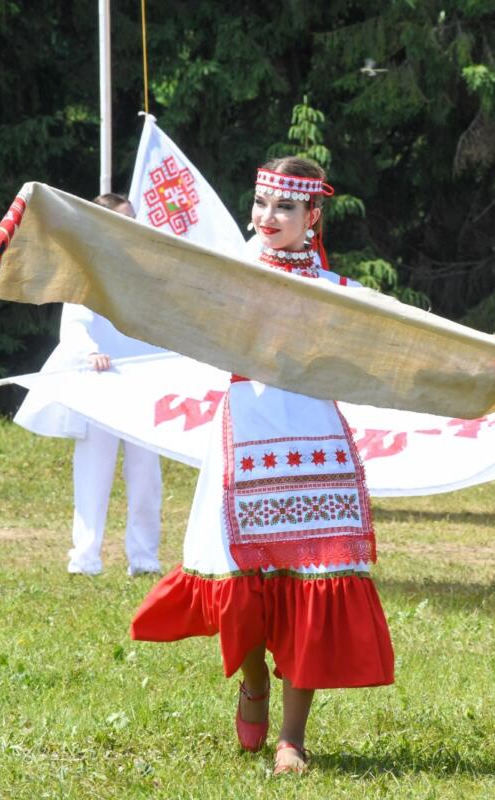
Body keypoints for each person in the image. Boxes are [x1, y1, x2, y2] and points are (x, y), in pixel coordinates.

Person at [129, 157, 393, 775]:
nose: (267, 217)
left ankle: (292, 740)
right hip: (244, 439)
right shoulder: (231, 271)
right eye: (261, 203)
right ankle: (254, 681)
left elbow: (407, 341)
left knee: (311, 582)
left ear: (313, 215)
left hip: (314, 443)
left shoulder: (335, 289)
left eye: (285, 207)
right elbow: (162, 289)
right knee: (241, 579)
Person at [13, 193, 163, 576]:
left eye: (133, 218)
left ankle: (144, 558)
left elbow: (160, 324)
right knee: (93, 476)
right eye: (122, 219)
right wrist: (90, 353)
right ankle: (85, 558)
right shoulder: (86, 269)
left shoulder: (146, 271)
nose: (131, 225)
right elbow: (75, 324)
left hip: (143, 383)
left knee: (146, 477)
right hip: (101, 382)